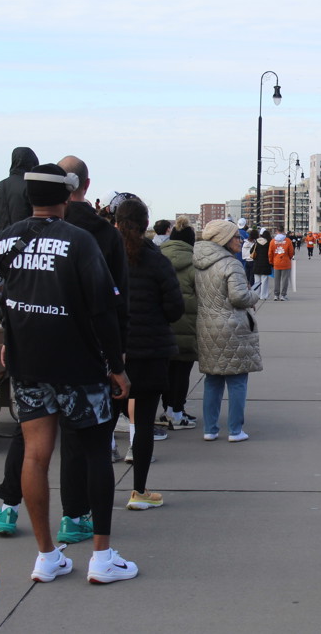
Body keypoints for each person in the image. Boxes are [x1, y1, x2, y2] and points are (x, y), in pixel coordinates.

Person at [0, 163, 137, 584]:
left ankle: (46, 556)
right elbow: (103, 308)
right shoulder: (79, 241)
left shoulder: (7, 238)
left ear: (28, 197)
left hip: (28, 365)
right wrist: (117, 367)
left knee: (35, 455)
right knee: (95, 453)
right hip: (79, 365)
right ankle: (101, 558)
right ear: (65, 197)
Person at [115, 198, 184, 509]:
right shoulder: (157, 261)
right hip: (151, 350)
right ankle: (139, 491)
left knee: (100, 426)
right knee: (143, 422)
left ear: (116, 222)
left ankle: (90, 497)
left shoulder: (104, 258)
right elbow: (175, 308)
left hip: (113, 352)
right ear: (146, 225)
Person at [193, 219, 263, 442]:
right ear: (223, 239)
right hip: (232, 326)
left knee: (212, 380)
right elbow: (239, 297)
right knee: (237, 380)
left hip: (207, 325)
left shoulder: (198, 262)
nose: (240, 240)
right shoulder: (231, 264)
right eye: (235, 237)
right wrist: (254, 295)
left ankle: (210, 429)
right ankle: (235, 430)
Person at [159, 217, 199, 430]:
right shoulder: (194, 263)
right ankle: (177, 410)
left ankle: (167, 409)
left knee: (165, 370)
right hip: (187, 325)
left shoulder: (157, 257)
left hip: (162, 325)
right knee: (182, 371)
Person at [0, 146, 39, 233]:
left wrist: (1, 235)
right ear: (32, 163)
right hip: (28, 237)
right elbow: (40, 218)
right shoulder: (32, 186)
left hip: (4, 238)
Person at [269, 230, 294, 301]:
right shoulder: (288, 241)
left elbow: (270, 253)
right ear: (283, 231)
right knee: (285, 280)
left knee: (276, 280)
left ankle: (276, 295)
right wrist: (289, 258)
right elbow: (291, 252)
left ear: (277, 231)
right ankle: (283, 295)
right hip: (285, 262)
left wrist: (271, 261)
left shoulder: (273, 241)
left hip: (276, 262)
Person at [251, 229, 273, 300]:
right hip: (265, 264)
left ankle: (256, 294)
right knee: (264, 281)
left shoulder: (257, 242)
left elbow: (251, 251)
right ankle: (263, 295)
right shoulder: (269, 243)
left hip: (257, 264)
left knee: (257, 281)